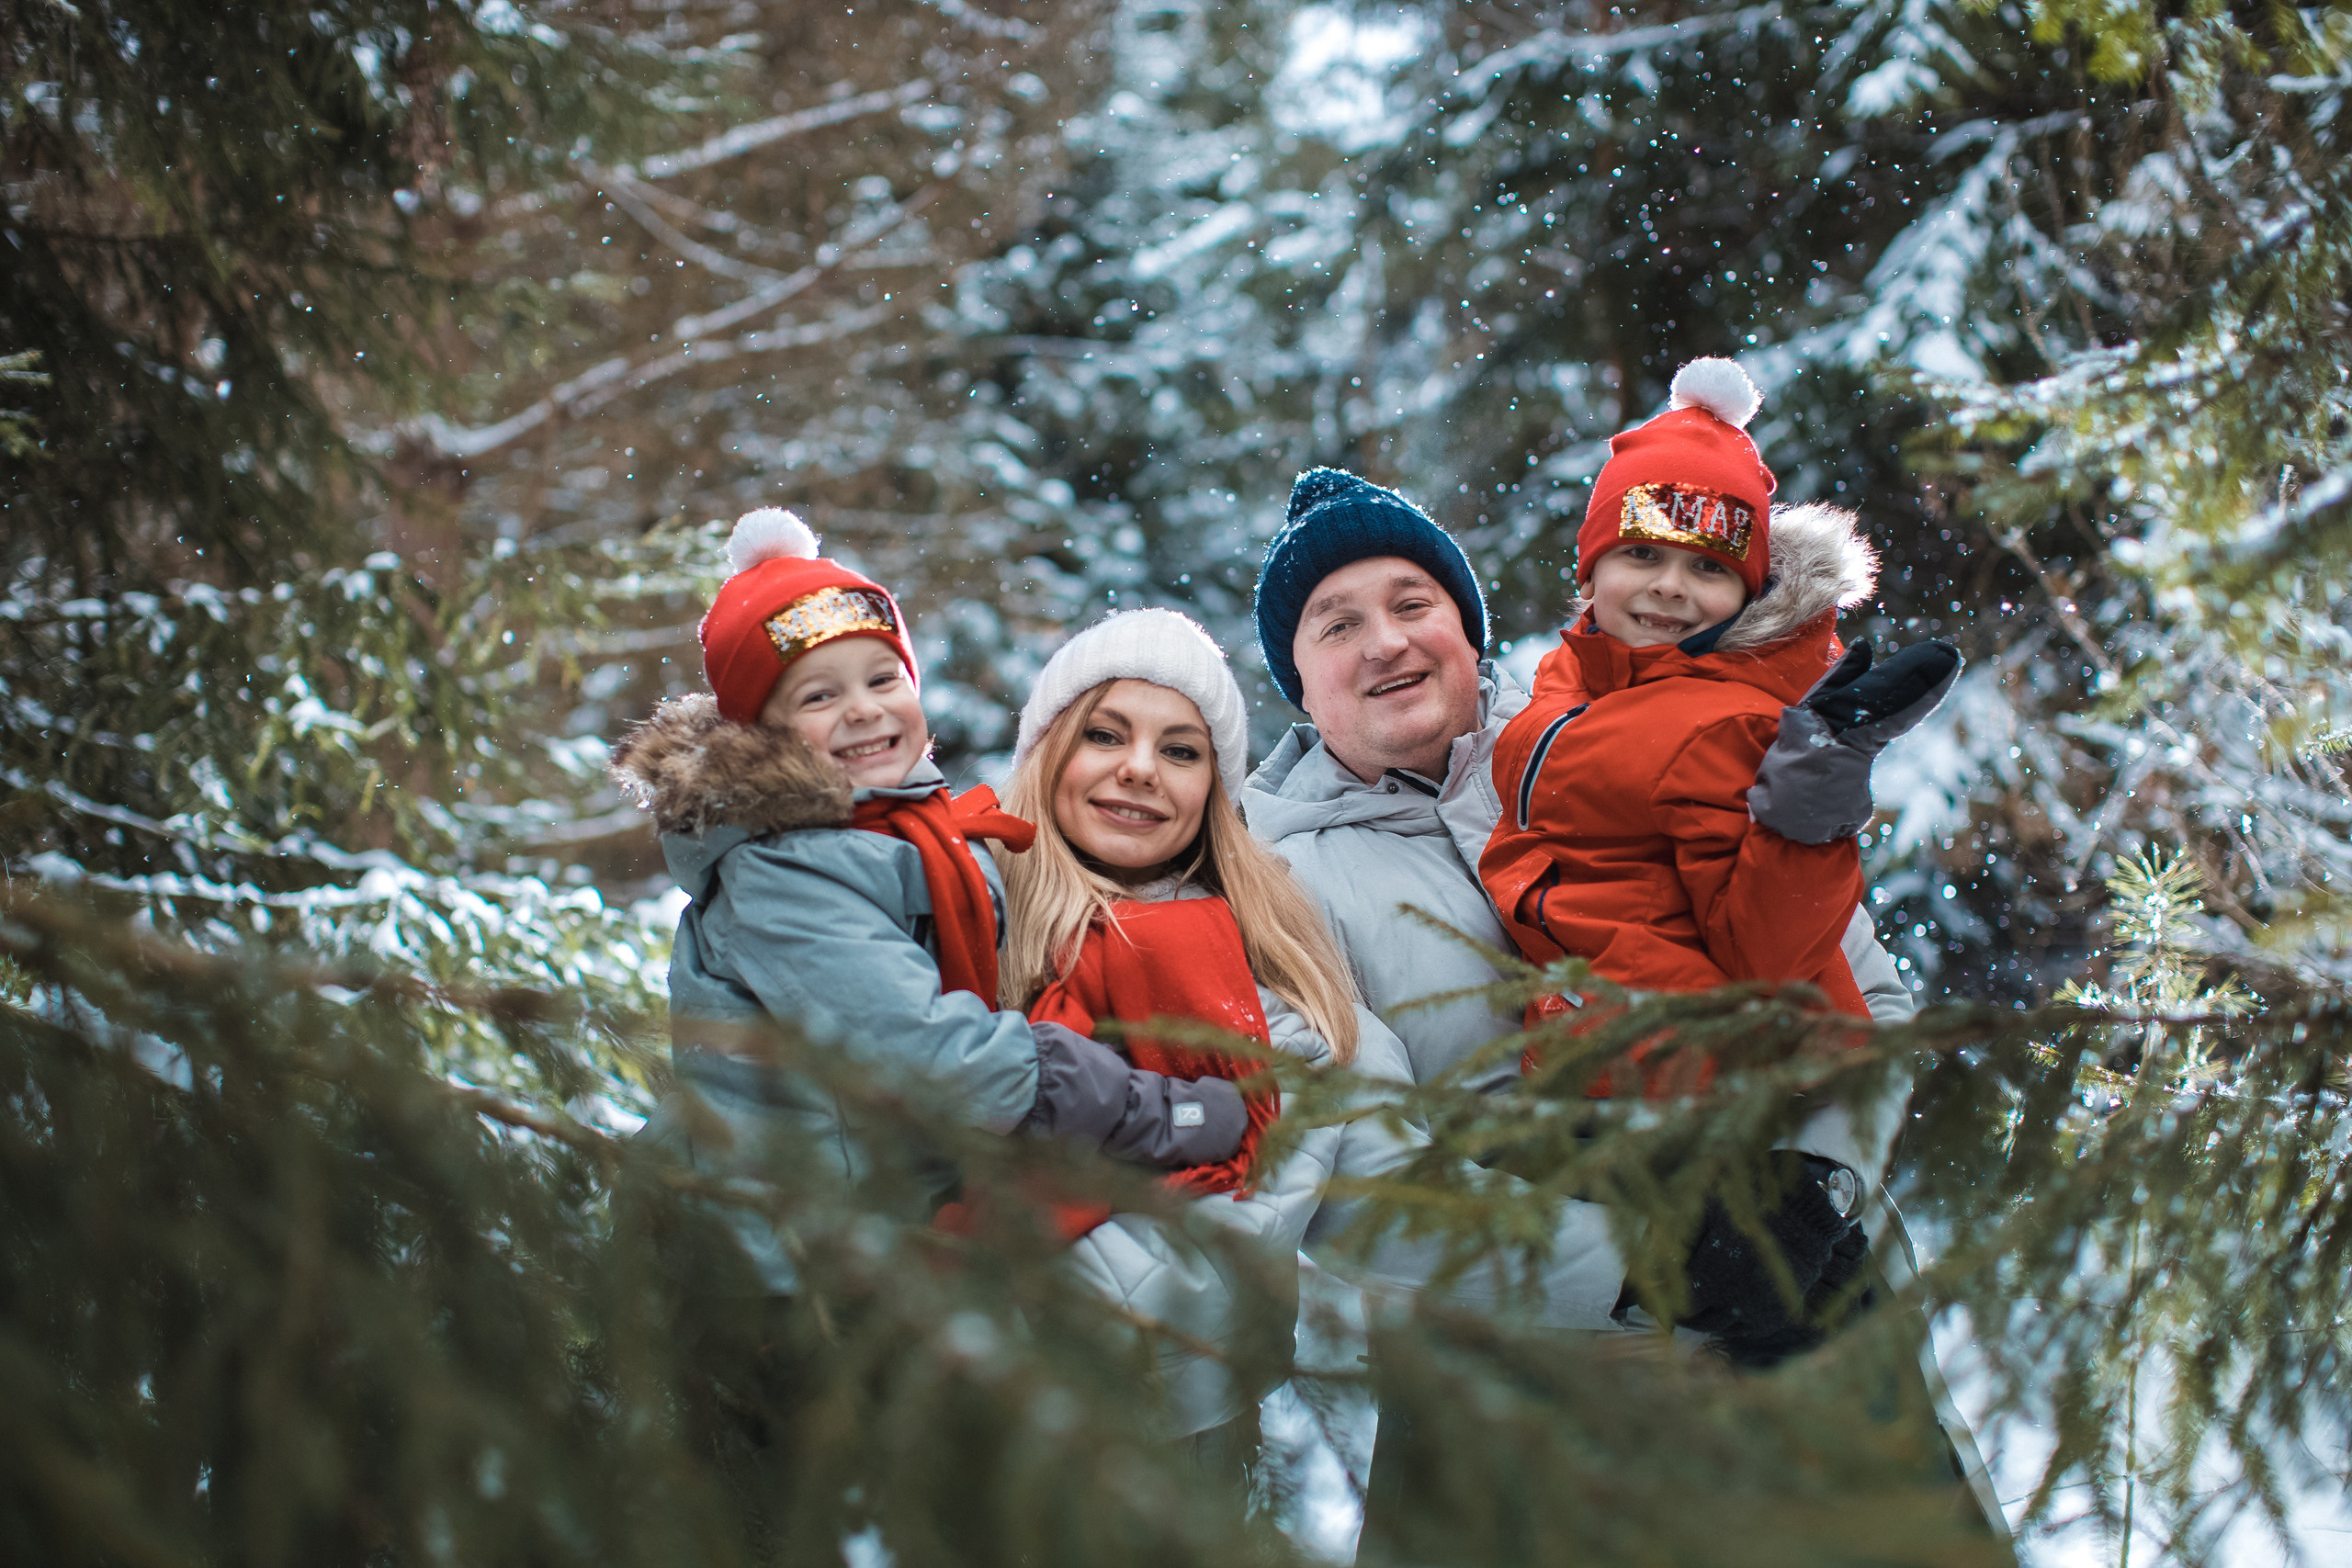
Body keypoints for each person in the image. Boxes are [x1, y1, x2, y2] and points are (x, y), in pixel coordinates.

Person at [1242, 446, 2006, 1545]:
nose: (1386, 640)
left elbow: (1860, 996)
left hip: (1810, 1324)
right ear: (1298, 683)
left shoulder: (1635, 731)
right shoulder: (1279, 879)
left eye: (1413, 602)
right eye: (1335, 624)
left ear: (1467, 630)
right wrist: (1655, 1263)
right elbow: (1364, 1184)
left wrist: (1811, 1188)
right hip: (1526, 1406)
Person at [994, 607, 1627, 1456]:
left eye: (1182, 750)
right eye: (1104, 734)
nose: (1141, 770)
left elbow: (1357, 1183)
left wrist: (1638, 1260)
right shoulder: (956, 909)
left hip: (1174, 1425)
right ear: (1046, 752)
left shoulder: (1259, 965)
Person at [609, 509, 1248, 1295]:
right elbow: (939, 1057)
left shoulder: (912, 832)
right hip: (790, 1268)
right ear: (759, 737)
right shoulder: (781, 874)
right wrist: (1155, 1110)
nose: (864, 709)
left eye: (884, 678)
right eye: (817, 695)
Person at [1479, 358, 1962, 1357]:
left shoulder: (1717, 721)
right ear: (1590, 568)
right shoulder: (1574, 685)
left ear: (1743, 592)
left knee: (1785, 1390)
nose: (1668, 589)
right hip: (1615, 1083)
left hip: (1695, 1108)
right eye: (1643, 555)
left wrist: (1807, 811)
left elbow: (1765, 949)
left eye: (1708, 569)